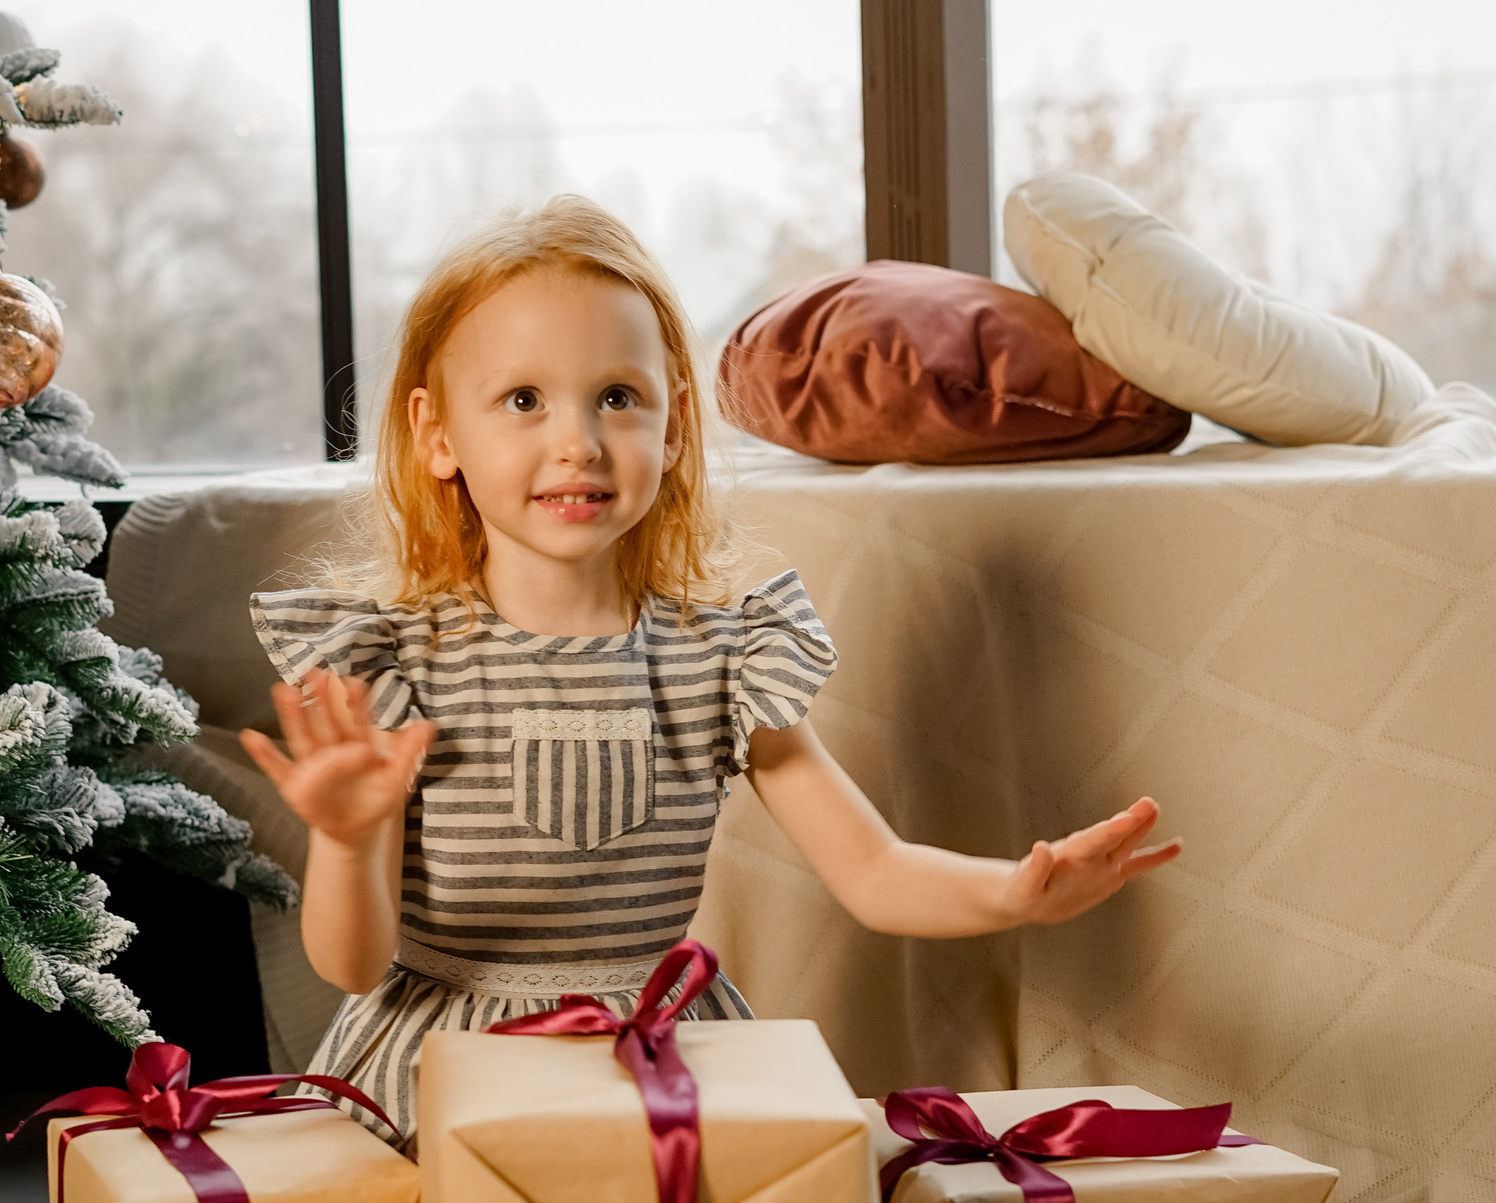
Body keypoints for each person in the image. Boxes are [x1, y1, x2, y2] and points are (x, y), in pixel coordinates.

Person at [245, 196, 1178, 1148]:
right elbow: (354, 965)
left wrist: (1013, 893)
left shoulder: (719, 659)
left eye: (616, 396)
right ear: (437, 433)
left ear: (675, 423)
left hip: (661, 1059)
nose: (577, 440)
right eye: (524, 401)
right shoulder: (399, 667)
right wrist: (350, 840)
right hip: (443, 1074)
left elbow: (875, 871)